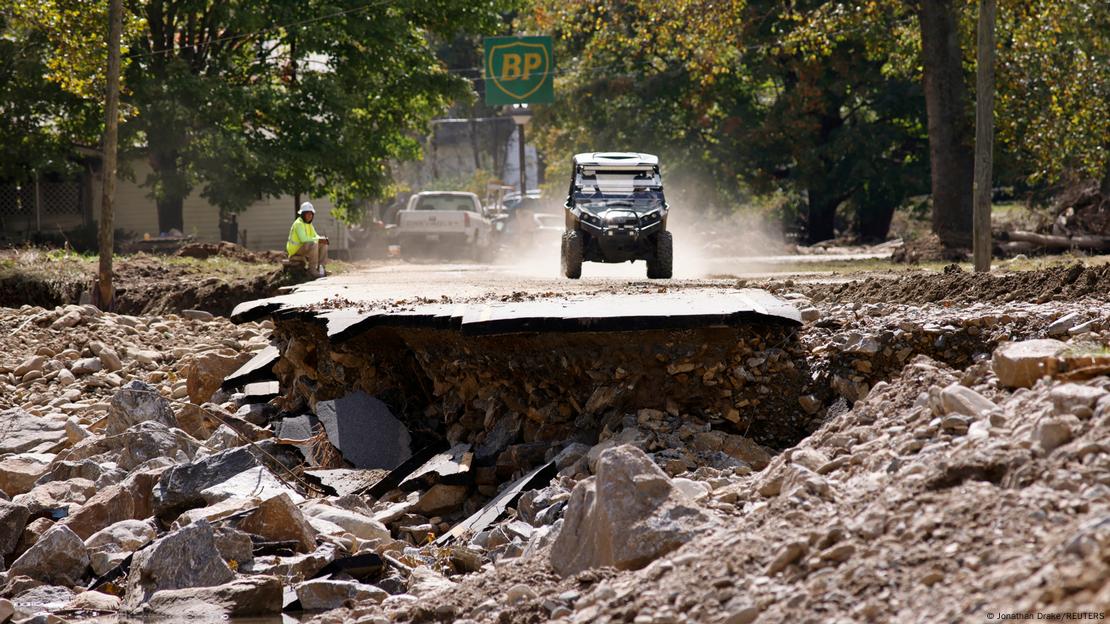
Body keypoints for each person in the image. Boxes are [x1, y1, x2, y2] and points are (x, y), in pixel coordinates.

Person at [287, 202, 328, 277]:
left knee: (323, 243)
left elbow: (315, 235)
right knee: (314, 243)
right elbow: (303, 239)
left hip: (304, 248)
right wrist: (318, 239)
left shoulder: (309, 224)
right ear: (302, 214)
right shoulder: (298, 224)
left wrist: (322, 239)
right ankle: (312, 270)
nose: (310, 216)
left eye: (311, 214)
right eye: (308, 214)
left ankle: (321, 268)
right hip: (295, 250)